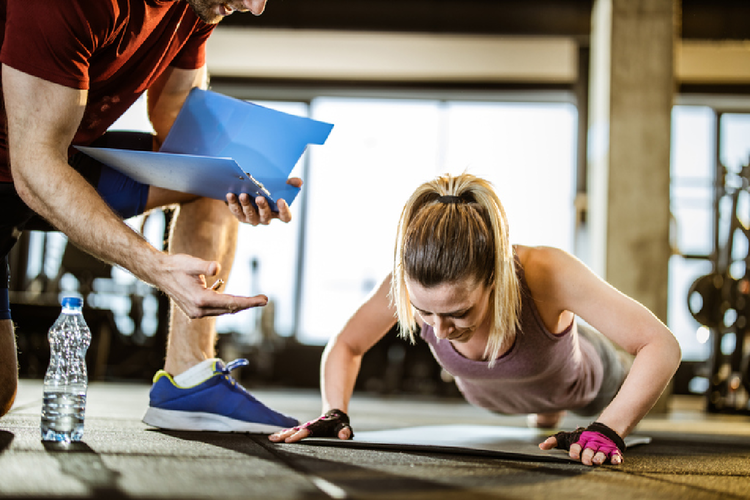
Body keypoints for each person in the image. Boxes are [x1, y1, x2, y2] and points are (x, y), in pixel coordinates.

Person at [0, 0, 300, 432]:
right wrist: (153, 265)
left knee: (221, 173)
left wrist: (253, 176)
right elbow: (33, 166)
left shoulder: (198, 7)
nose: (254, 7)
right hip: (30, 161)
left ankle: (189, 380)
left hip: (56, 156)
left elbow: (173, 116)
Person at [269, 173, 682, 466]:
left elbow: (661, 345)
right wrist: (333, 411)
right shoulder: (403, 283)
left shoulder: (545, 271)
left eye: (458, 313)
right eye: (424, 312)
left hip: (585, 383)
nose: (439, 330)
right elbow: (347, 344)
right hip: (502, 394)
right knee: (540, 412)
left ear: (495, 279)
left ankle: (550, 412)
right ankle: (544, 415)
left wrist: (610, 428)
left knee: (585, 390)